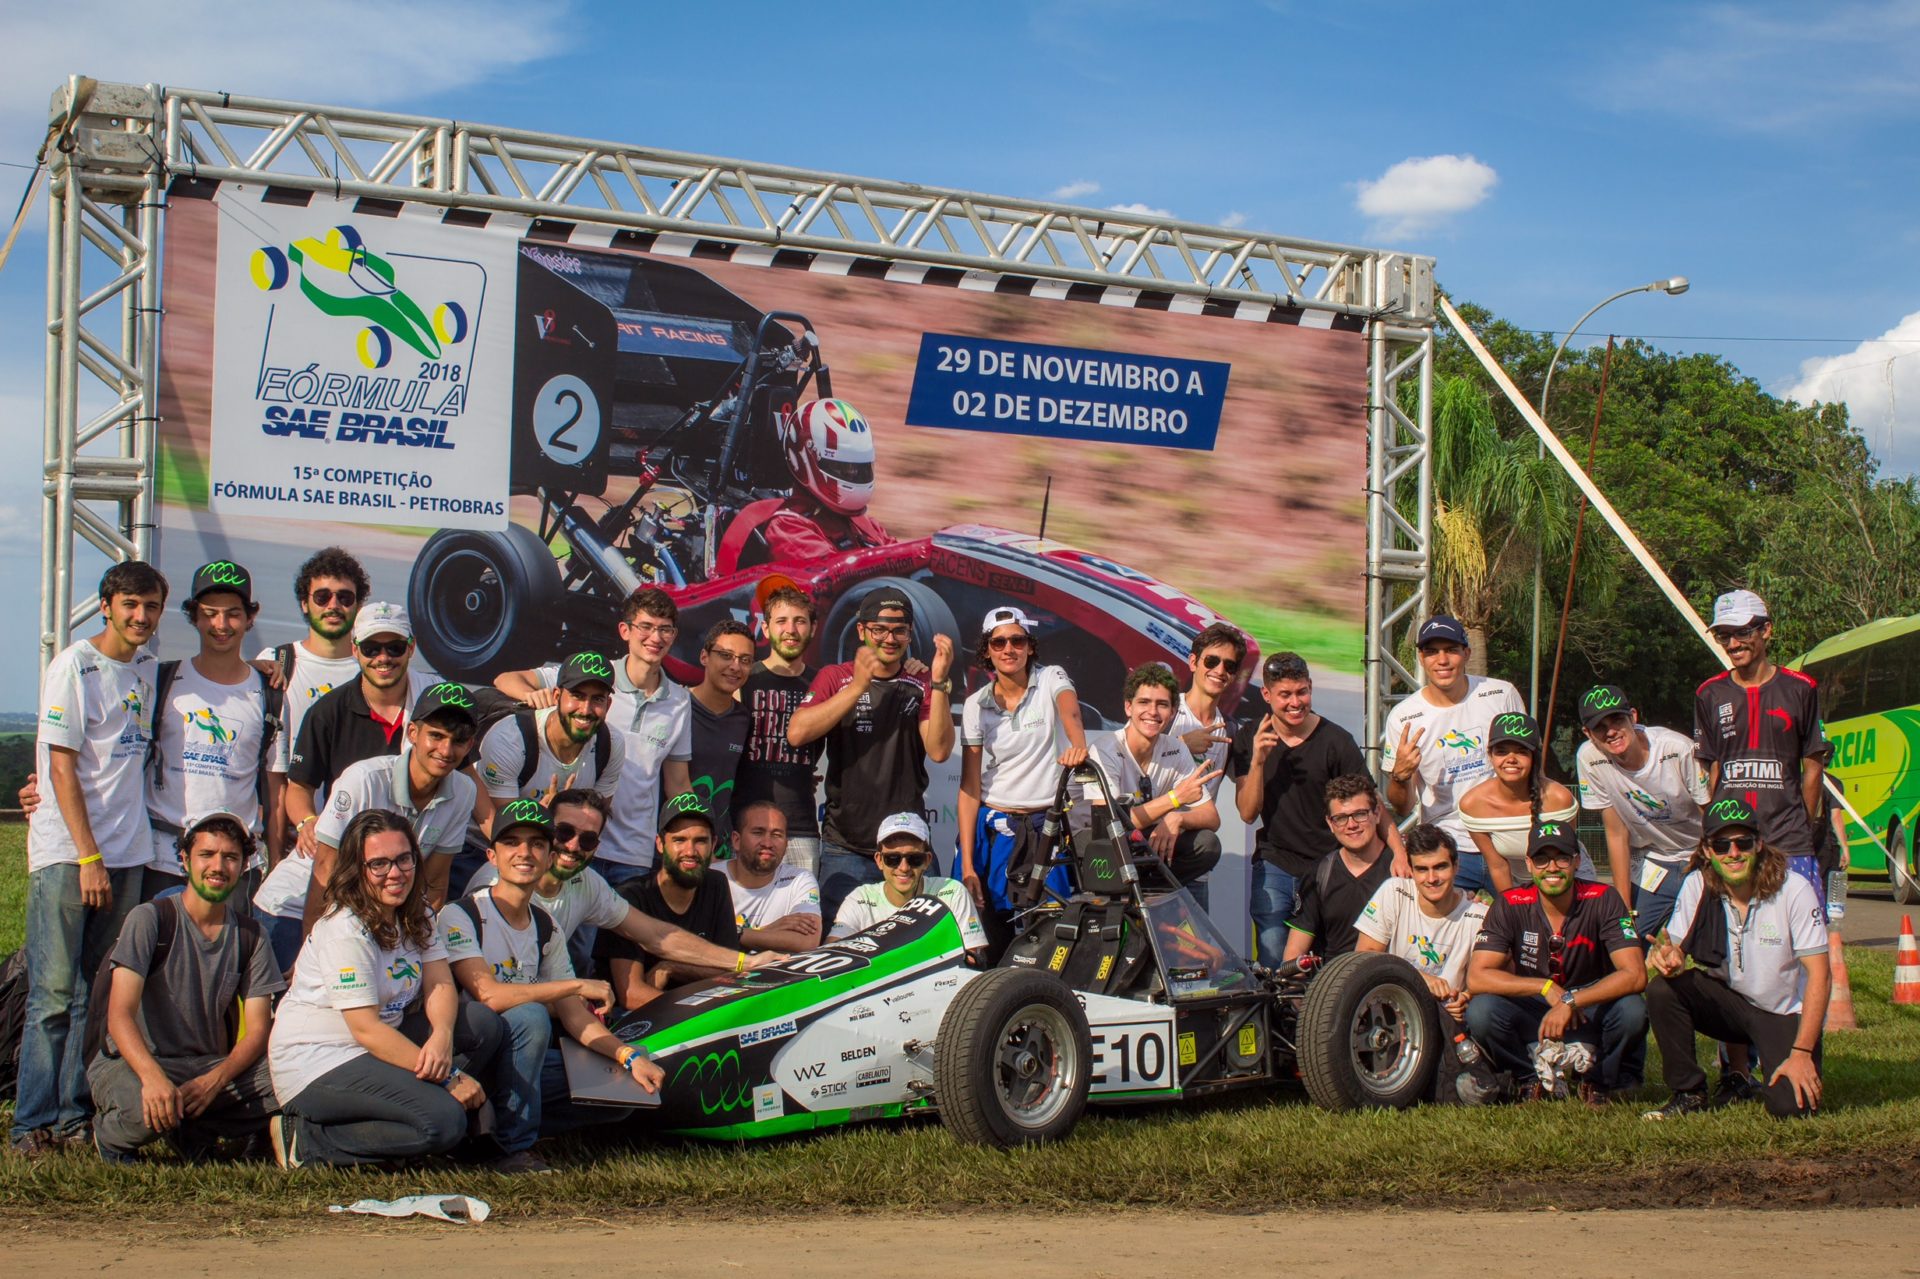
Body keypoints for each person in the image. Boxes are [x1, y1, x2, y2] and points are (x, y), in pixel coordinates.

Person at [14, 560, 165, 1157]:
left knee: (93, 996)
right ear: (105, 605)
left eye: (150, 606)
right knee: (51, 994)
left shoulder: (149, 670)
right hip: (72, 855)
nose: (140, 616)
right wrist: (87, 856)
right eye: (130, 604)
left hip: (128, 853)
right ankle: (31, 1123)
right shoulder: (74, 666)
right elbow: (59, 766)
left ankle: (75, 1116)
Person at [266, 810, 503, 1169]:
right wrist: (448, 1076)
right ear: (356, 869)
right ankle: (308, 1140)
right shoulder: (344, 929)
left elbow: (439, 980)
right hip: (321, 1058)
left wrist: (441, 1034)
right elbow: (366, 1029)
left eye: (403, 859)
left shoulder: (416, 910)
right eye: (379, 864)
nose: (395, 874)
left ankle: (413, 1117)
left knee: (482, 1024)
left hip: (379, 1040)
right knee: (442, 1123)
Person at [441, 800, 665, 1172]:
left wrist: (628, 1056)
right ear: (492, 856)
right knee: (530, 1017)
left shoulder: (546, 926)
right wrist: (574, 985)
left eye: (537, 844)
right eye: (512, 842)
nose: (525, 853)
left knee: (621, 1091)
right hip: (462, 1059)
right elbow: (489, 996)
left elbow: (575, 1016)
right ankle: (513, 1147)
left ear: (548, 858)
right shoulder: (461, 914)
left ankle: (490, 1126)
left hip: (514, 1063)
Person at [87, 812, 285, 1163]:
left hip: (207, 1065)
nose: (218, 866)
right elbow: (119, 1016)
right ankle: (111, 1135)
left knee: (291, 1076)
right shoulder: (151, 919)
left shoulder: (251, 936)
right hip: (136, 1062)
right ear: (184, 860)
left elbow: (258, 1030)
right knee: (145, 1110)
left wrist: (216, 1078)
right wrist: (152, 1078)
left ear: (243, 866)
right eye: (206, 855)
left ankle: (193, 1127)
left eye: (230, 857)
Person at [255, 601, 433, 962]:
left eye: (394, 647)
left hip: (399, 869)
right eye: (371, 648)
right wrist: (306, 821)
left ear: (411, 648)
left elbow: (466, 779)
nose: (383, 658)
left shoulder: (433, 705)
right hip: (340, 855)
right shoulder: (328, 711)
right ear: (355, 650)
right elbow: (299, 787)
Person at [466, 789, 785, 981]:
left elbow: (656, 935)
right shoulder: (494, 884)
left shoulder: (587, 882)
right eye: (564, 832)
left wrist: (747, 961)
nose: (574, 845)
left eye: (588, 838)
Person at [1643, 796, 1830, 1120]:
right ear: (1706, 850)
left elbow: (1820, 975)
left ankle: (1774, 1067)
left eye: (1743, 842)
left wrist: (1801, 1053)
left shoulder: (1794, 889)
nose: (1733, 853)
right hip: (1730, 1004)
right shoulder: (1697, 884)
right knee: (1663, 990)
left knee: (1791, 1109)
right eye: (1721, 844)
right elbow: (1675, 947)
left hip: (1781, 1013)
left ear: (1758, 844)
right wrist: (1669, 958)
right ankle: (1689, 1092)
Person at [495, 586, 692, 888]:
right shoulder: (592, 677)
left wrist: (690, 837)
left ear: (674, 636)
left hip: (633, 853)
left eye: (665, 629)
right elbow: (505, 678)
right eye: (646, 627)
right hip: (574, 842)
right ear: (625, 631)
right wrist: (535, 698)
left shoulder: (679, 700)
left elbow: (677, 783)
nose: (656, 638)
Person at [787, 589, 955, 925]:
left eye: (899, 630)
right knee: (841, 949)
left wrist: (938, 683)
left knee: (922, 947)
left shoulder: (920, 680)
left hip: (908, 847)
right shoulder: (835, 677)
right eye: (880, 629)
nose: (889, 638)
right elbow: (797, 733)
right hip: (845, 846)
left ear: (910, 634)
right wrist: (855, 689)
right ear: (861, 631)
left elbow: (938, 750)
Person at [1466, 821, 1648, 1102]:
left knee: (1633, 1009)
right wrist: (1545, 988)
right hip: (1537, 1007)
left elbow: (1635, 974)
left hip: (1590, 1005)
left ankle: (1600, 1081)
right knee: (1481, 1011)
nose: (1552, 867)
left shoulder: (1604, 898)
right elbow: (1478, 977)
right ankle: (1528, 1078)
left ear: (1577, 861)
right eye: (1541, 859)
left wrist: (1572, 1000)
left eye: (1561, 857)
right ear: (1528, 864)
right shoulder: (1509, 903)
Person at [144, 561, 281, 906]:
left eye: (233, 614)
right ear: (194, 616)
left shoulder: (270, 691)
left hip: (237, 865)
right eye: (210, 613)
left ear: (251, 617)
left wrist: (277, 864)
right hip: (164, 861)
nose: (221, 625)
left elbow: (276, 786)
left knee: (232, 960)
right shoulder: (161, 680)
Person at [957, 606, 1087, 960]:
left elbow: (1069, 709)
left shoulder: (1050, 677)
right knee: (984, 943)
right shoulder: (975, 705)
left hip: (1045, 829)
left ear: (1030, 646)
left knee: (1048, 940)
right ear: (987, 650)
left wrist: (1078, 745)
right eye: (998, 642)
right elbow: (969, 788)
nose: (1008, 649)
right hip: (994, 831)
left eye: (1017, 640)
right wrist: (967, 864)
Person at [1230, 651, 1374, 966]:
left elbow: (1368, 803)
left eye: (1302, 692)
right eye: (1285, 695)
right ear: (1266, 695)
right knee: (1274, 960)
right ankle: (1281, 1016)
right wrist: (1257, 761)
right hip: (1276, 864)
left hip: (1330, 865)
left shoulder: (1336, 740)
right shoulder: (1249, 737)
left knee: (1332, 959)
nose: (1295, 702)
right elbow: (1247, 812)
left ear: (1310, 687)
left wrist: (1398, 854)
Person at [298, 684, 480, 932]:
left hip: (377, 913)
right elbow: (325, 870)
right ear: (413, 733)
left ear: (469, 746)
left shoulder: (465, 791)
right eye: (436, 736)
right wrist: (310, 945)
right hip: (302, 904)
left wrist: (418, 945)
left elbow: (435, 883)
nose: (446, 750)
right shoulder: (363, 779)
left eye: (458, 741)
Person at [1694, 589, 1828, 911]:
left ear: (1766, 630)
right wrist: (1714, 828)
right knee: (1734, 941)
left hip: (1789, 843)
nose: (1733, 644)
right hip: (1732, 845)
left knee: (1801, 943)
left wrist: (1801, 826)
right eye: (1724, 636)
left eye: (1742, 632)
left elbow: (1813, 766)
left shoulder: (1801, 688)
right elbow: (1706, 771)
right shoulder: (1708, 694)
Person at [1382, 614, 1526, 892]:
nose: (1442, 660)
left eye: (1451, 650)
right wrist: (1399, 778)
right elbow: (1402, 806)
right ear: (1421, 658)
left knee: (1528, 928)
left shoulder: (1500, 694)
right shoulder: (1404, 717)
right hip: (1450, 847)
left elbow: (1533, 766)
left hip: (1510, 840)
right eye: (1432, 652)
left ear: (1467, 653)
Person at [463, 649, 624, 898]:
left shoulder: (611, 743)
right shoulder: (511, 738)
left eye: (597, 699)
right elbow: (503, 830)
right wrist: (543, 822)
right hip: (481, 848)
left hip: (552, 855)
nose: (586, 709)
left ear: (608, 704)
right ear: (557, 695)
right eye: (577, 696)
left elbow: (595, 819)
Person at [1354, 824, 1488, 1100]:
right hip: (1394, 1009)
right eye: (1422, 870)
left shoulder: (1479, 915)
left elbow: (1487, 976)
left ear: (1456, 866)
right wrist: (1421, 979)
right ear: (1411, 871)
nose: (1432, 878)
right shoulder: (1394, 892)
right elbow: (1363, 958)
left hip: (1450, 1018)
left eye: (1440, 867)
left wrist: (1468, 996)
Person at [258, 547, 369, 868]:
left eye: (345, 598)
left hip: (357, 850)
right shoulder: (277, 663)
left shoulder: (374, 670)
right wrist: (274, 858)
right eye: (322, 597)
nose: (333, 605)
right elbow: (275, 775)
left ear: (357, 606)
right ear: (305, 604)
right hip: (297, 843)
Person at [1575, 684, 1709, 943]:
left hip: (1699, 855)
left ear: (1633, 717)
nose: (1611, 731)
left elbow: (1711, 815)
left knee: (1708, 945)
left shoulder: (1677, 749)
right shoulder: (1589, 758)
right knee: (1626, 941)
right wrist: (1623, 909)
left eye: (1617, 720)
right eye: (1599, 727)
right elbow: (1616, 833)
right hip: (1653, 860)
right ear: (1588, 733)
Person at [1080, 664, 1224, 904]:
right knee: (1100, 843)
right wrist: (1174, 800)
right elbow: (1108, 825)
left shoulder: (1175, 748)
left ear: (1173, 711)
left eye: (1162, 704)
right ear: (1128, 707)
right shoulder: (1105, 748)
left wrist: (1178, 817)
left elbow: (1211, 817)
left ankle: (1153, 896)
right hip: (1103, 842)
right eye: (1144, 702)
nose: (1153, 712)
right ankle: (1130, 897)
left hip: (1143, 840)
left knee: (1207, 844)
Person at [604, 793, 748, 1007]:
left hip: (695, 1008)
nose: (690, 851)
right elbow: (631, 995)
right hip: (633, 1021)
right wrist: (693, 1014)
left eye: (700, 841)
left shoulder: (716, 883)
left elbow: (728, 967)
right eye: (679, 840)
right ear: (660, 844)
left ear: (714, 844)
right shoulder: (630, 896)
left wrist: (674, 967)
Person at [738, 584, 826, 873]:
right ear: (765, 628)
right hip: (743, 828)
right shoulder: (742, 680)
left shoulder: (823, 685)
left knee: (802, 918)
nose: (791, 630)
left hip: (800, 829)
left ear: (813, 628)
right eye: (781, 621)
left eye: (800, 621)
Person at [1457, 711, 1589, 891]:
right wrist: (1513, 907)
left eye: (1521, 752)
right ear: (1490, 755)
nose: (1511, 759)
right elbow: (1497, 865)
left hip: (1566, 873)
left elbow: (1566, 856)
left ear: (1534, 756)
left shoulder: (1559, 799)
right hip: (1517, 881)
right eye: (1501, 752)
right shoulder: (1472, 805)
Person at [829, 812, 988, 958]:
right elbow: (831, 952)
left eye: (914, 859)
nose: (904, 868)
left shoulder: (952, 892)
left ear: (927, 861)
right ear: (879, 860)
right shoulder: (860, 898)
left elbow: (972, 958)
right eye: (893, 859)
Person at [1282, 775, 1395, 962]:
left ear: (1376, 814)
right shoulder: (1319, 874)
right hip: (1334, 985)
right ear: (1330, 824)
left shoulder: (1401, 868)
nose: (1351, 825)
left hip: (1391, 984)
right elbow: (1295, 953)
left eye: (1360, 814)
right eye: (1341, 818)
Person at [764, 398, 892, 563]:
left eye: (861, 468)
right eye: (844, 467)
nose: (854, 474)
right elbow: (831, 573)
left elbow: (903, 560)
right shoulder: (788, 527)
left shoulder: (866, 526)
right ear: (806, 458)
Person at [687, 621, 756, 857]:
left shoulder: (744, 719)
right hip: (672, 844)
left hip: (720, 852)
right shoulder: (677, 707)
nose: (735, 666)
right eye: (726, 655)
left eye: (745, 660)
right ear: (704, 656)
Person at [723, 800, 824, 954]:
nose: (767, 843)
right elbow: (697, 939)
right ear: (736, 840)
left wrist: (736, 934)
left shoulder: (799, 879)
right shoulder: (712, 876)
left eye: (777, 835)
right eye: (758, 832)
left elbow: (808, 941)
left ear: (786, 844)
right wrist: (771, 929)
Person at [1170, 623, 1245, 800]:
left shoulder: (1231, 729)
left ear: (1234, 675)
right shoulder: (1164, 710)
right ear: (1193, 662)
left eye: (1229, 666)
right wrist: (1181, 744)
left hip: (1200, 825)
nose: (1219, 671)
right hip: (1155, 824)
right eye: (1211, 661)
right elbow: (1130, 756)